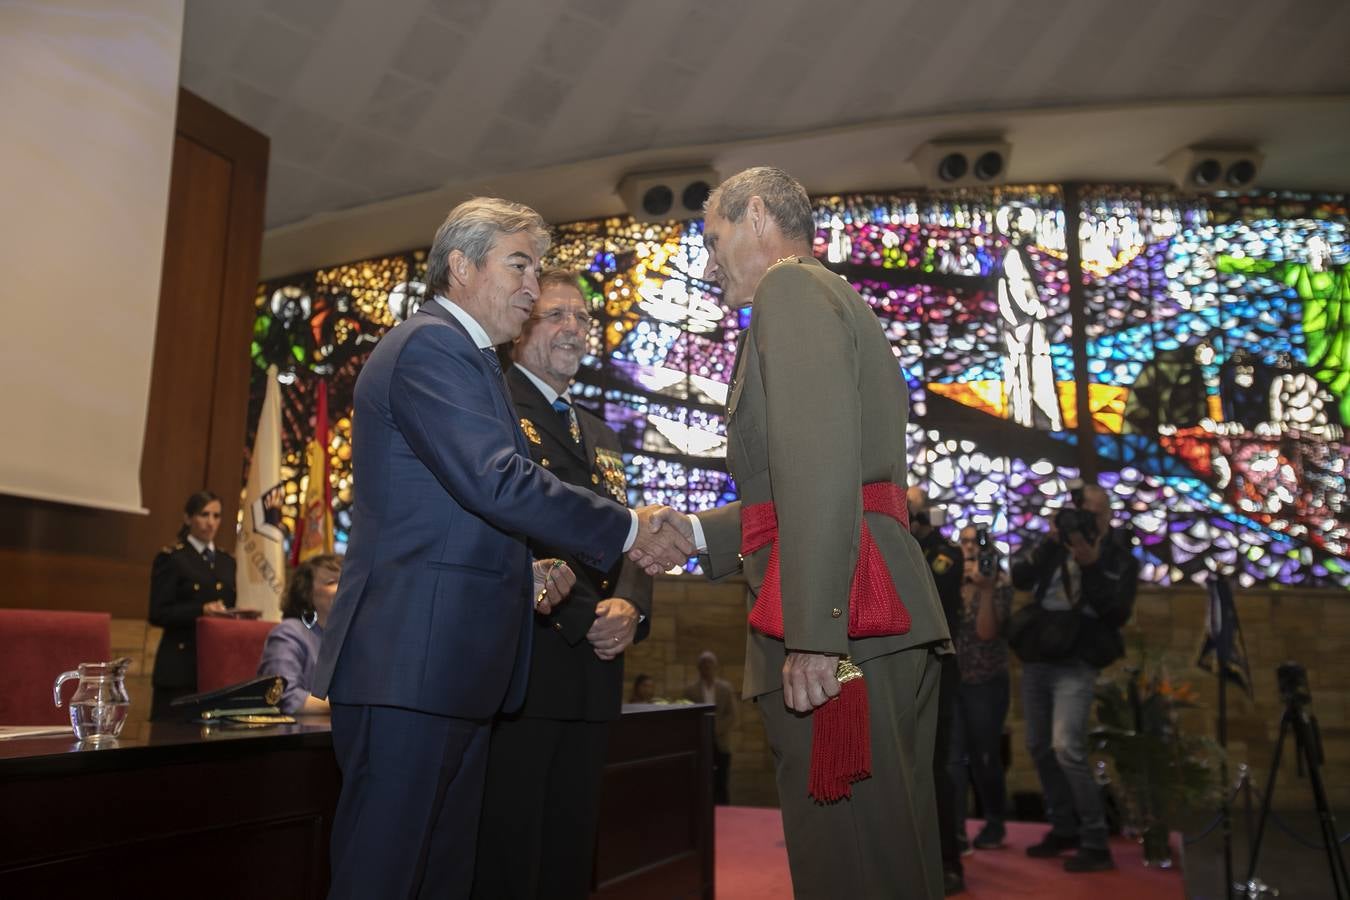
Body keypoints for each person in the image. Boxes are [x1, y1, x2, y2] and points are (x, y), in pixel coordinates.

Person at [311, 197, 691, 900]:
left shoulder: (473, 362)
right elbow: (497, 481)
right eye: (519, 266)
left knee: (440, 876)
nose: (531, 285)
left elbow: (444, 510)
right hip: (411, 665)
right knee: (386, 876)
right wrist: (631, 527)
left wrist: (523, 568)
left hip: (451, 667)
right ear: (461, 265)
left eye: (537, 268)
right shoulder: (430, 345)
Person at [640, 167, 952, 899]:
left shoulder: (790, 287)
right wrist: (696, 534)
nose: (708, 261)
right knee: (887, 852)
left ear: (756, 217)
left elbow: (818, 465)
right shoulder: (821, 296)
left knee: (854, 866)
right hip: (868, 608)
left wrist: (815, 632)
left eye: (714, 238)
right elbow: (813, 480)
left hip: (846, 617)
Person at [472, 269, 654, 900]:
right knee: (511, 849)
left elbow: (629, 529)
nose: (574, 328)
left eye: (581, 318)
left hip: (596, 673)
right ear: (519, 330)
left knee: (573, 848)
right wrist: (586, 615)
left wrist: (631, 602)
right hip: (530, 661)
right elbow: (510, 523)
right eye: (556, 316)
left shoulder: (601, 433)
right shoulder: (494, 407)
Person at [1010, 482, 1139, 873]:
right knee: (1038, 746)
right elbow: (1019, 578)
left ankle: (1096, 840)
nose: (1088, 520)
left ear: (1109, 516)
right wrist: (1052, 540)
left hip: (1078, 659)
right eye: (1083, 512)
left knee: (1067, 747)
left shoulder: (1119, 555)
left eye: (1096, 514)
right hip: (1038, 654)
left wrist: (1092, 565)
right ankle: (1063, 827)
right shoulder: (1056, 542)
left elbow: (1116, 613)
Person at [907, 487, 966, 895]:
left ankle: (948, 861)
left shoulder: (946, 554)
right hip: (896, 668)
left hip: (937, 669)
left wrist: (917, 536)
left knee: (935, 766)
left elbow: (932, 592)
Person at [950, 524, 1012, 853]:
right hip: (954, 681)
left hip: (986, 683)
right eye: (964, 541)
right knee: (952, 760)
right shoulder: (950, 579)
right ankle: (956, 832)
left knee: (984, 758)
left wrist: (984, 590)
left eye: (975, 542)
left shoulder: (998, 583)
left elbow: (987, 633)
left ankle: (995, 821)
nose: (969, 547)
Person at [148, 490, 236, 721]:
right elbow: (158, 612)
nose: (211, 522)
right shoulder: (173, 557)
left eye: (216, 516)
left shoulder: (228, 561)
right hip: (180, 664)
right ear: (188, 518)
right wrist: (201, 611)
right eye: (204, 514)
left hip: (215, 663)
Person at [256, 553, 342, 715]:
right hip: (300, 736)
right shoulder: (288, 634)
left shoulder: (352, 638)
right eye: (332, 582)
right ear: (307, 593)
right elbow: (285, 697)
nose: (345, 588)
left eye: (347, 580)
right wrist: (351, 705)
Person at [682, 649, 738, 805]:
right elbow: (687, 716)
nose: (707, 666)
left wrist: (714, 730)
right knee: (701, 780)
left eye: (710, 663)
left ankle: (725, 813)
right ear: (699, 667)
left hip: (721, 742)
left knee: (721, 781)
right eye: (703, 663)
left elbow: (731, 714)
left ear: (716, 666)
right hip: (699, 742)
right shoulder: (689, 691)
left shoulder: (725, 688)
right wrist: (702, 731)